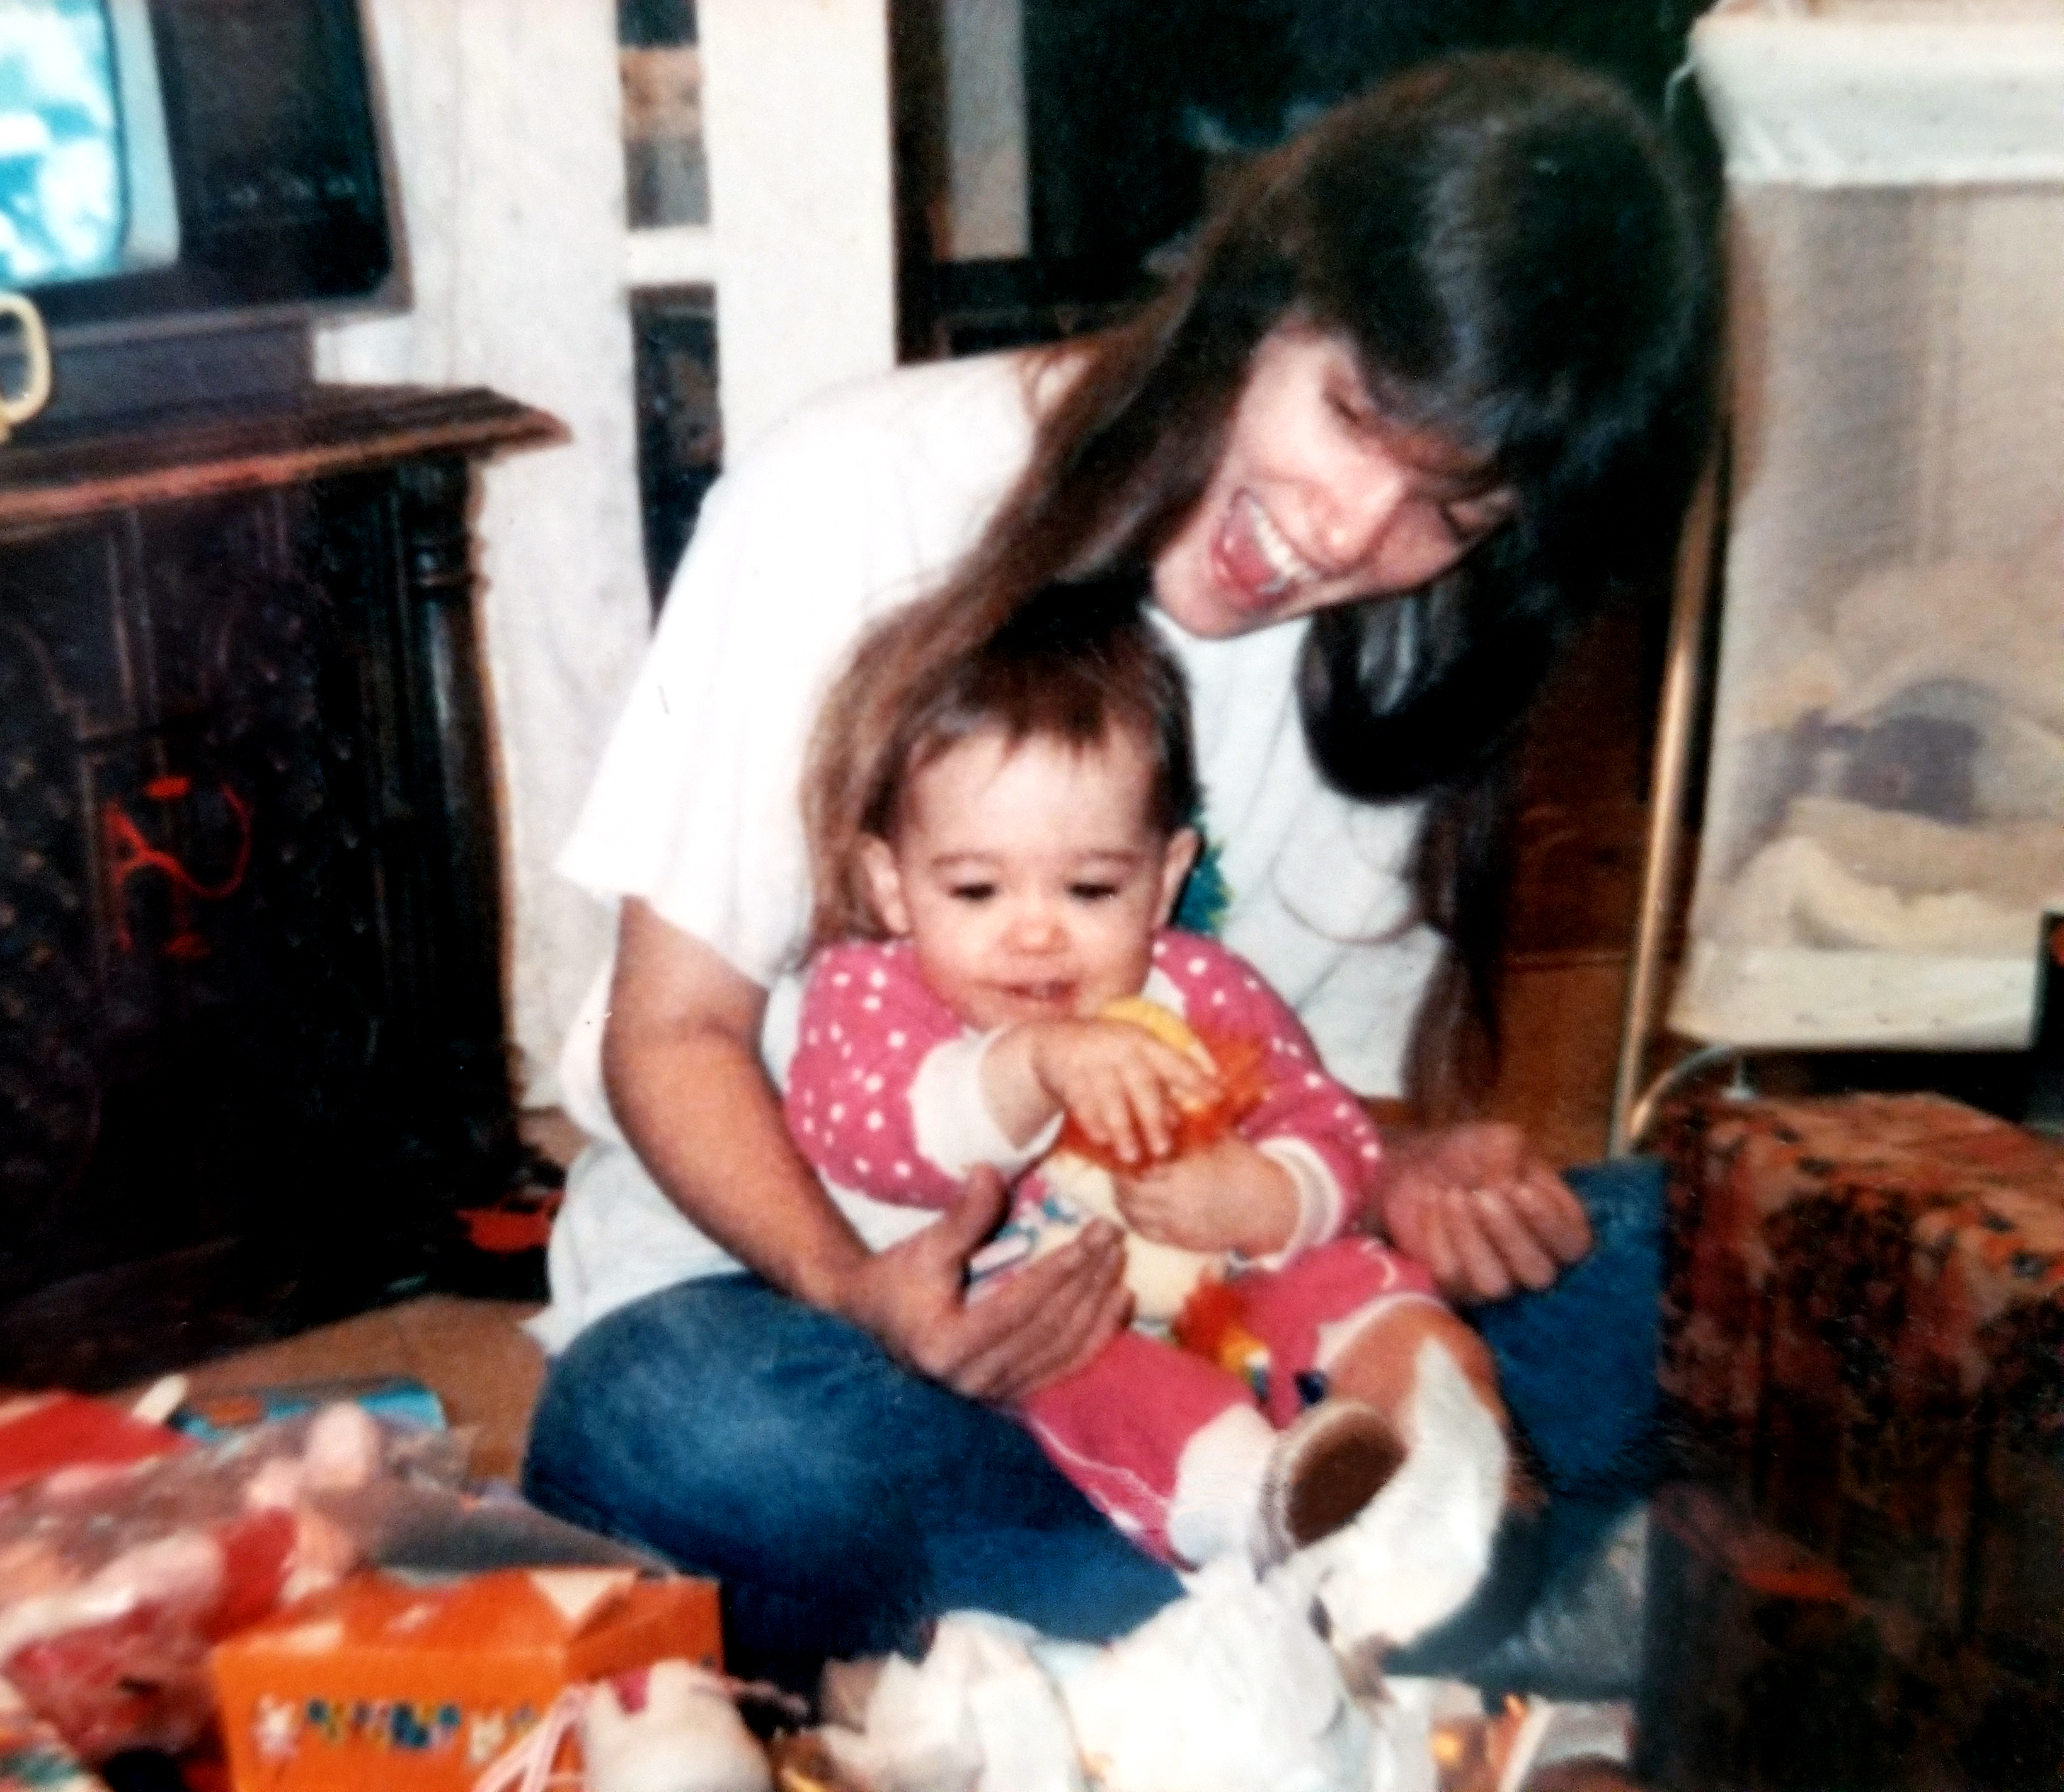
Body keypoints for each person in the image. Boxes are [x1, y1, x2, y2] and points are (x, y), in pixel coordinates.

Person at [522, 49, 1713, 1686]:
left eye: (1456, 505)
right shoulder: (851, 494)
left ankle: (1262, 1598)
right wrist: (861, 1286)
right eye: (1354, 412)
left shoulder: (1410, 657)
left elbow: (1312, 1108)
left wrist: (1416, 1171)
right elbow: (673, 1033)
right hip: (803, 1311)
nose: (1354, 531)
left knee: (1702, 1254)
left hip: (1227, 1321)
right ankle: (1416, 1610)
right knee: (680, 1435)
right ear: (1264, 298)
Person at [783, 579, 1509, 1640]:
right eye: (977, 893)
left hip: (1234, 1290)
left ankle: (1452, 1469)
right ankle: (1278, 1520)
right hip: (1036, 1329)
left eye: (1090, 892)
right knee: (1098, 1380)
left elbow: (1332, 1133)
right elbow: (867, 1133)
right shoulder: (875, 993)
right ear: (893, 887)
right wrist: (1033, 1066)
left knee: (1372, 1281)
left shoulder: (1198, 986)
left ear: (1165, 879)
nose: (1037, 937)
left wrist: (1263, 1192)